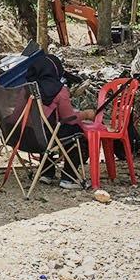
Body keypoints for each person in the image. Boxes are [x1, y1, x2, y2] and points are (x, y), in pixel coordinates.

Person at [27, 52, 94, 189]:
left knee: (45, 127)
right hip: (46, 137)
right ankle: (68, 178)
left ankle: (47, 174)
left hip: (27, 136)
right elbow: (68, 118)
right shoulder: (59, 90)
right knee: (75, 132)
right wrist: (86, 114)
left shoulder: (25, 88)